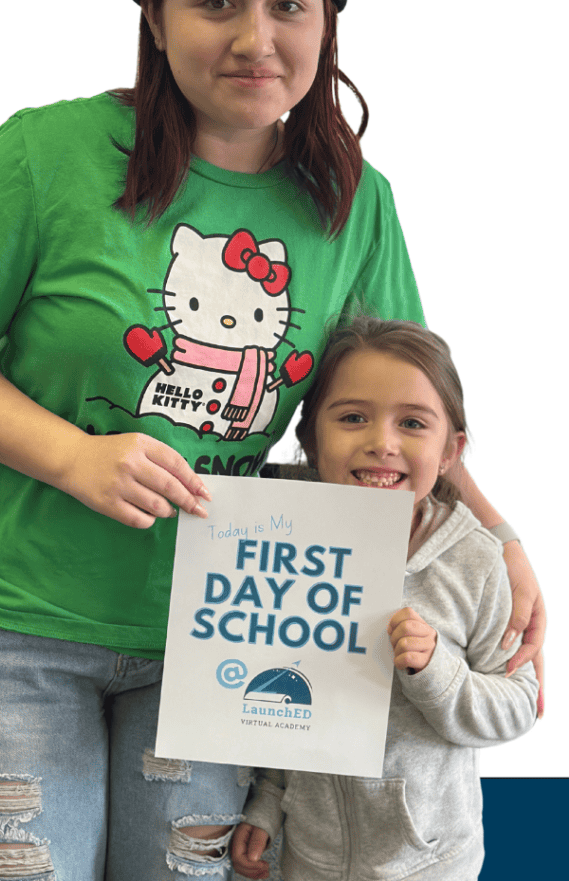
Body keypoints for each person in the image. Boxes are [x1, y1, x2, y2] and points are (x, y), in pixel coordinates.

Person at [0, 0, 544, 876]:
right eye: (214, 1)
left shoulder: (352, 202)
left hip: (225, 642)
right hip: (15, 624)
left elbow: (395, 414)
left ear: (327, 23)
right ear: (153, 15)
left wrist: (493, 538)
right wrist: (74, 457)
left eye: (289, 4)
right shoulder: (47, 155)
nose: (254, 38)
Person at [229, 318, 539, 880]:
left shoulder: (474, 560)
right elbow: (280, 693)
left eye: (413, 423)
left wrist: (437, 670)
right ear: (309, 439)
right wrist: (269, 803)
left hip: (429, 860)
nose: (382, 442)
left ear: (451, 452)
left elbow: (518, 703)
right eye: (352, 417)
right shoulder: (283, 541)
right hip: (309, 855)